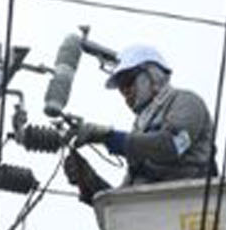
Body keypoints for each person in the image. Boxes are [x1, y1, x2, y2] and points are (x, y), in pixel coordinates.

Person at [60, 44, 216, 204]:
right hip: (156, 214)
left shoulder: (186, 101)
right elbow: (123, 204)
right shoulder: (139, 128)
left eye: (128, 82)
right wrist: (89, 180)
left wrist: (110, 138)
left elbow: (172, 145)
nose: (125, 92)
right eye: (121, 88)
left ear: (153, 75)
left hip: (191, 207)